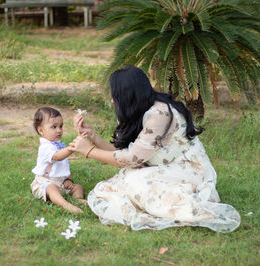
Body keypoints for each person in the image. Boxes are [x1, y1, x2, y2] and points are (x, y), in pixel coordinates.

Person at [69, 66, 241, 232]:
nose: (113, 100)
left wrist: (89, 151)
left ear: (127, 94)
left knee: (132, 181)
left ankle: (184, 207)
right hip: (164, 168)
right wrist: (93, 136)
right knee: (123, 181)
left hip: (188, 170)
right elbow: (124, 155)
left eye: (115, 95)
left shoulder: (160, 113)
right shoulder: (141, 109)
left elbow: (131, 158)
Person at [31, 107, 84, 214]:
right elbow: (57, 157)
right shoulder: (45, 147)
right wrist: (71, 148)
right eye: (53, 127)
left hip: (61, 183)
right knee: (52, 188)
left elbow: (64, 166)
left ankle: (77, 200)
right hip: (44, 183)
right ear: (41, 130)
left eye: (61, 126)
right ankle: (66, 205)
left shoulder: (58, 145)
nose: (59, 130)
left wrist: (68, 179)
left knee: (78, 187)